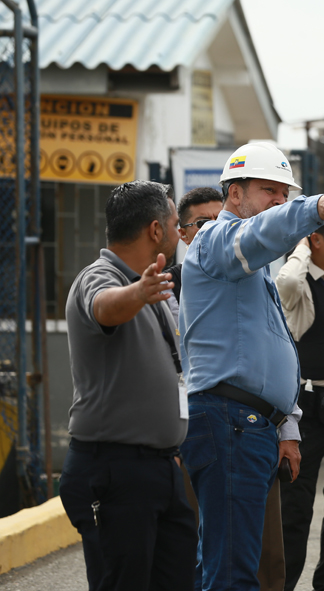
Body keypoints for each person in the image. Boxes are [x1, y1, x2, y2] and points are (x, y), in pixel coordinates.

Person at [179, 142, 324, 591]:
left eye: (285, 192)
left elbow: (279, 348)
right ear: (233, 195)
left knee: (229, 559)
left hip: (248, 424)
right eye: (269, 190)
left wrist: (288, 426)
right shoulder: (215, 240)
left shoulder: (252, 270)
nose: (279, 200)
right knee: (233, 569)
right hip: (231, 421)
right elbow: (258, 234)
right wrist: (312, 207)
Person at [59, 180, 197, 591]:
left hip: (160, 467)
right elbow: (104, 307)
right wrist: (138, 290)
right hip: (116, 470)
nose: (180, 234)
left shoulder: (152, 284)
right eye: (176, 224)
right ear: (155, 230)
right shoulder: (100, 277)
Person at [275, 217, 324, 591]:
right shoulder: (302, 285)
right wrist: (301, 248)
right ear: (315, 240)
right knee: (294, 508)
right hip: (309, 410)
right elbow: (285, 281)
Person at [166, 186, 223, 308]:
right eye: (203, 223)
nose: (216, 228)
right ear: (183, 234)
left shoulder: (248, 274)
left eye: (222, 220)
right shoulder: (169, 285)